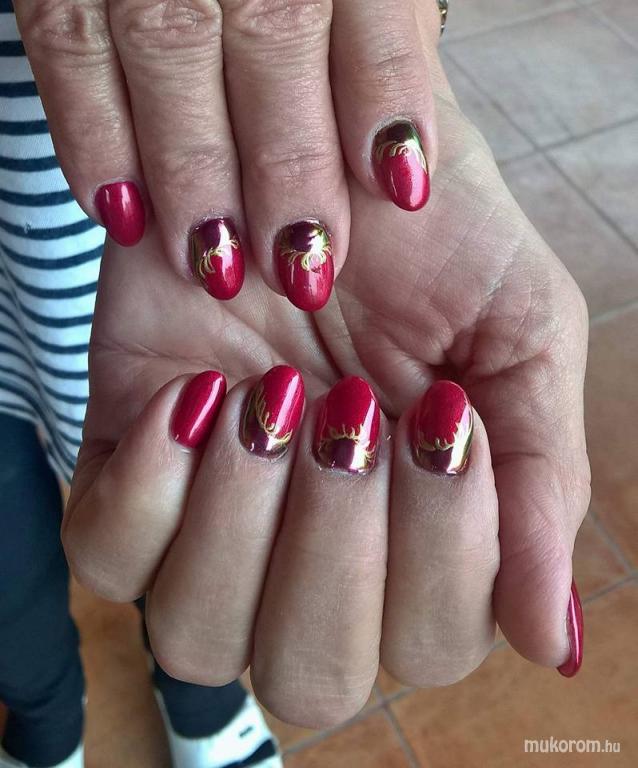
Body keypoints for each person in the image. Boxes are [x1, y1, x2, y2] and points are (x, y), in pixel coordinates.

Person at [1, 0, 590, 766]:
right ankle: (43, 716)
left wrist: (393, 42)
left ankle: (200, 697)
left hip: (176, 202)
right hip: (111, 216)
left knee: (182, 508)